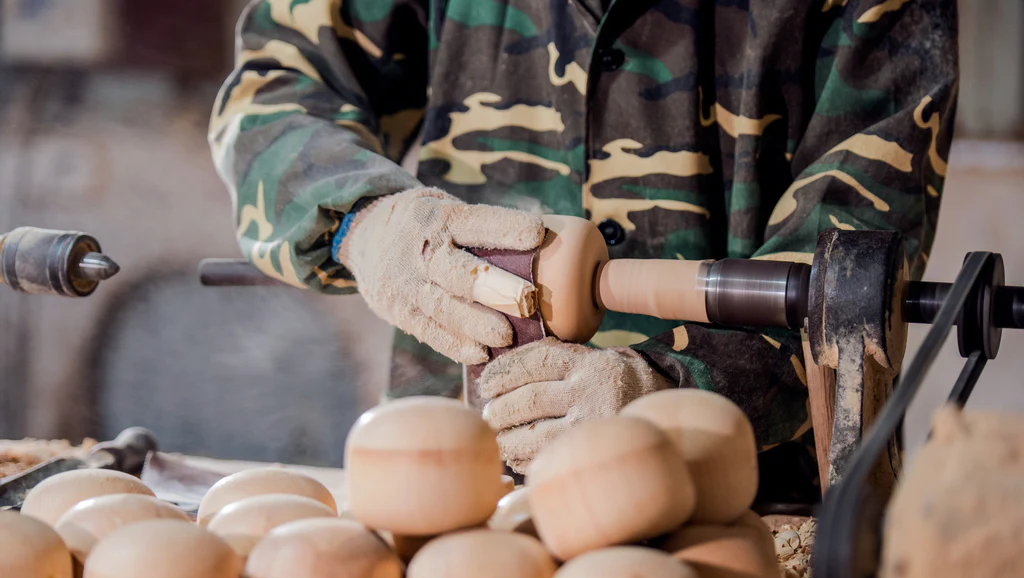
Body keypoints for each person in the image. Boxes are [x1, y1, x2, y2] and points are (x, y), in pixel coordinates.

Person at [208, 0, 958, 505]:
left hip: (739, 510)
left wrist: (671, 393)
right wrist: (362, 216)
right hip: (448, 485)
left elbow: (850, 261)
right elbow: (276, 88)